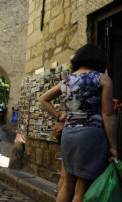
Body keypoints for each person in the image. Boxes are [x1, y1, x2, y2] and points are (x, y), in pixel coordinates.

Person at [39, 44, 118, 202]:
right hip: (91, 136)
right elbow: (108, 115)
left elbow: (43, 99)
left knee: (67, 186)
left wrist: (60, 117)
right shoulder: (102, 79)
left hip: (69, 134)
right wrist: (113, 146)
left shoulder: (68, 80)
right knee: (81, 190)